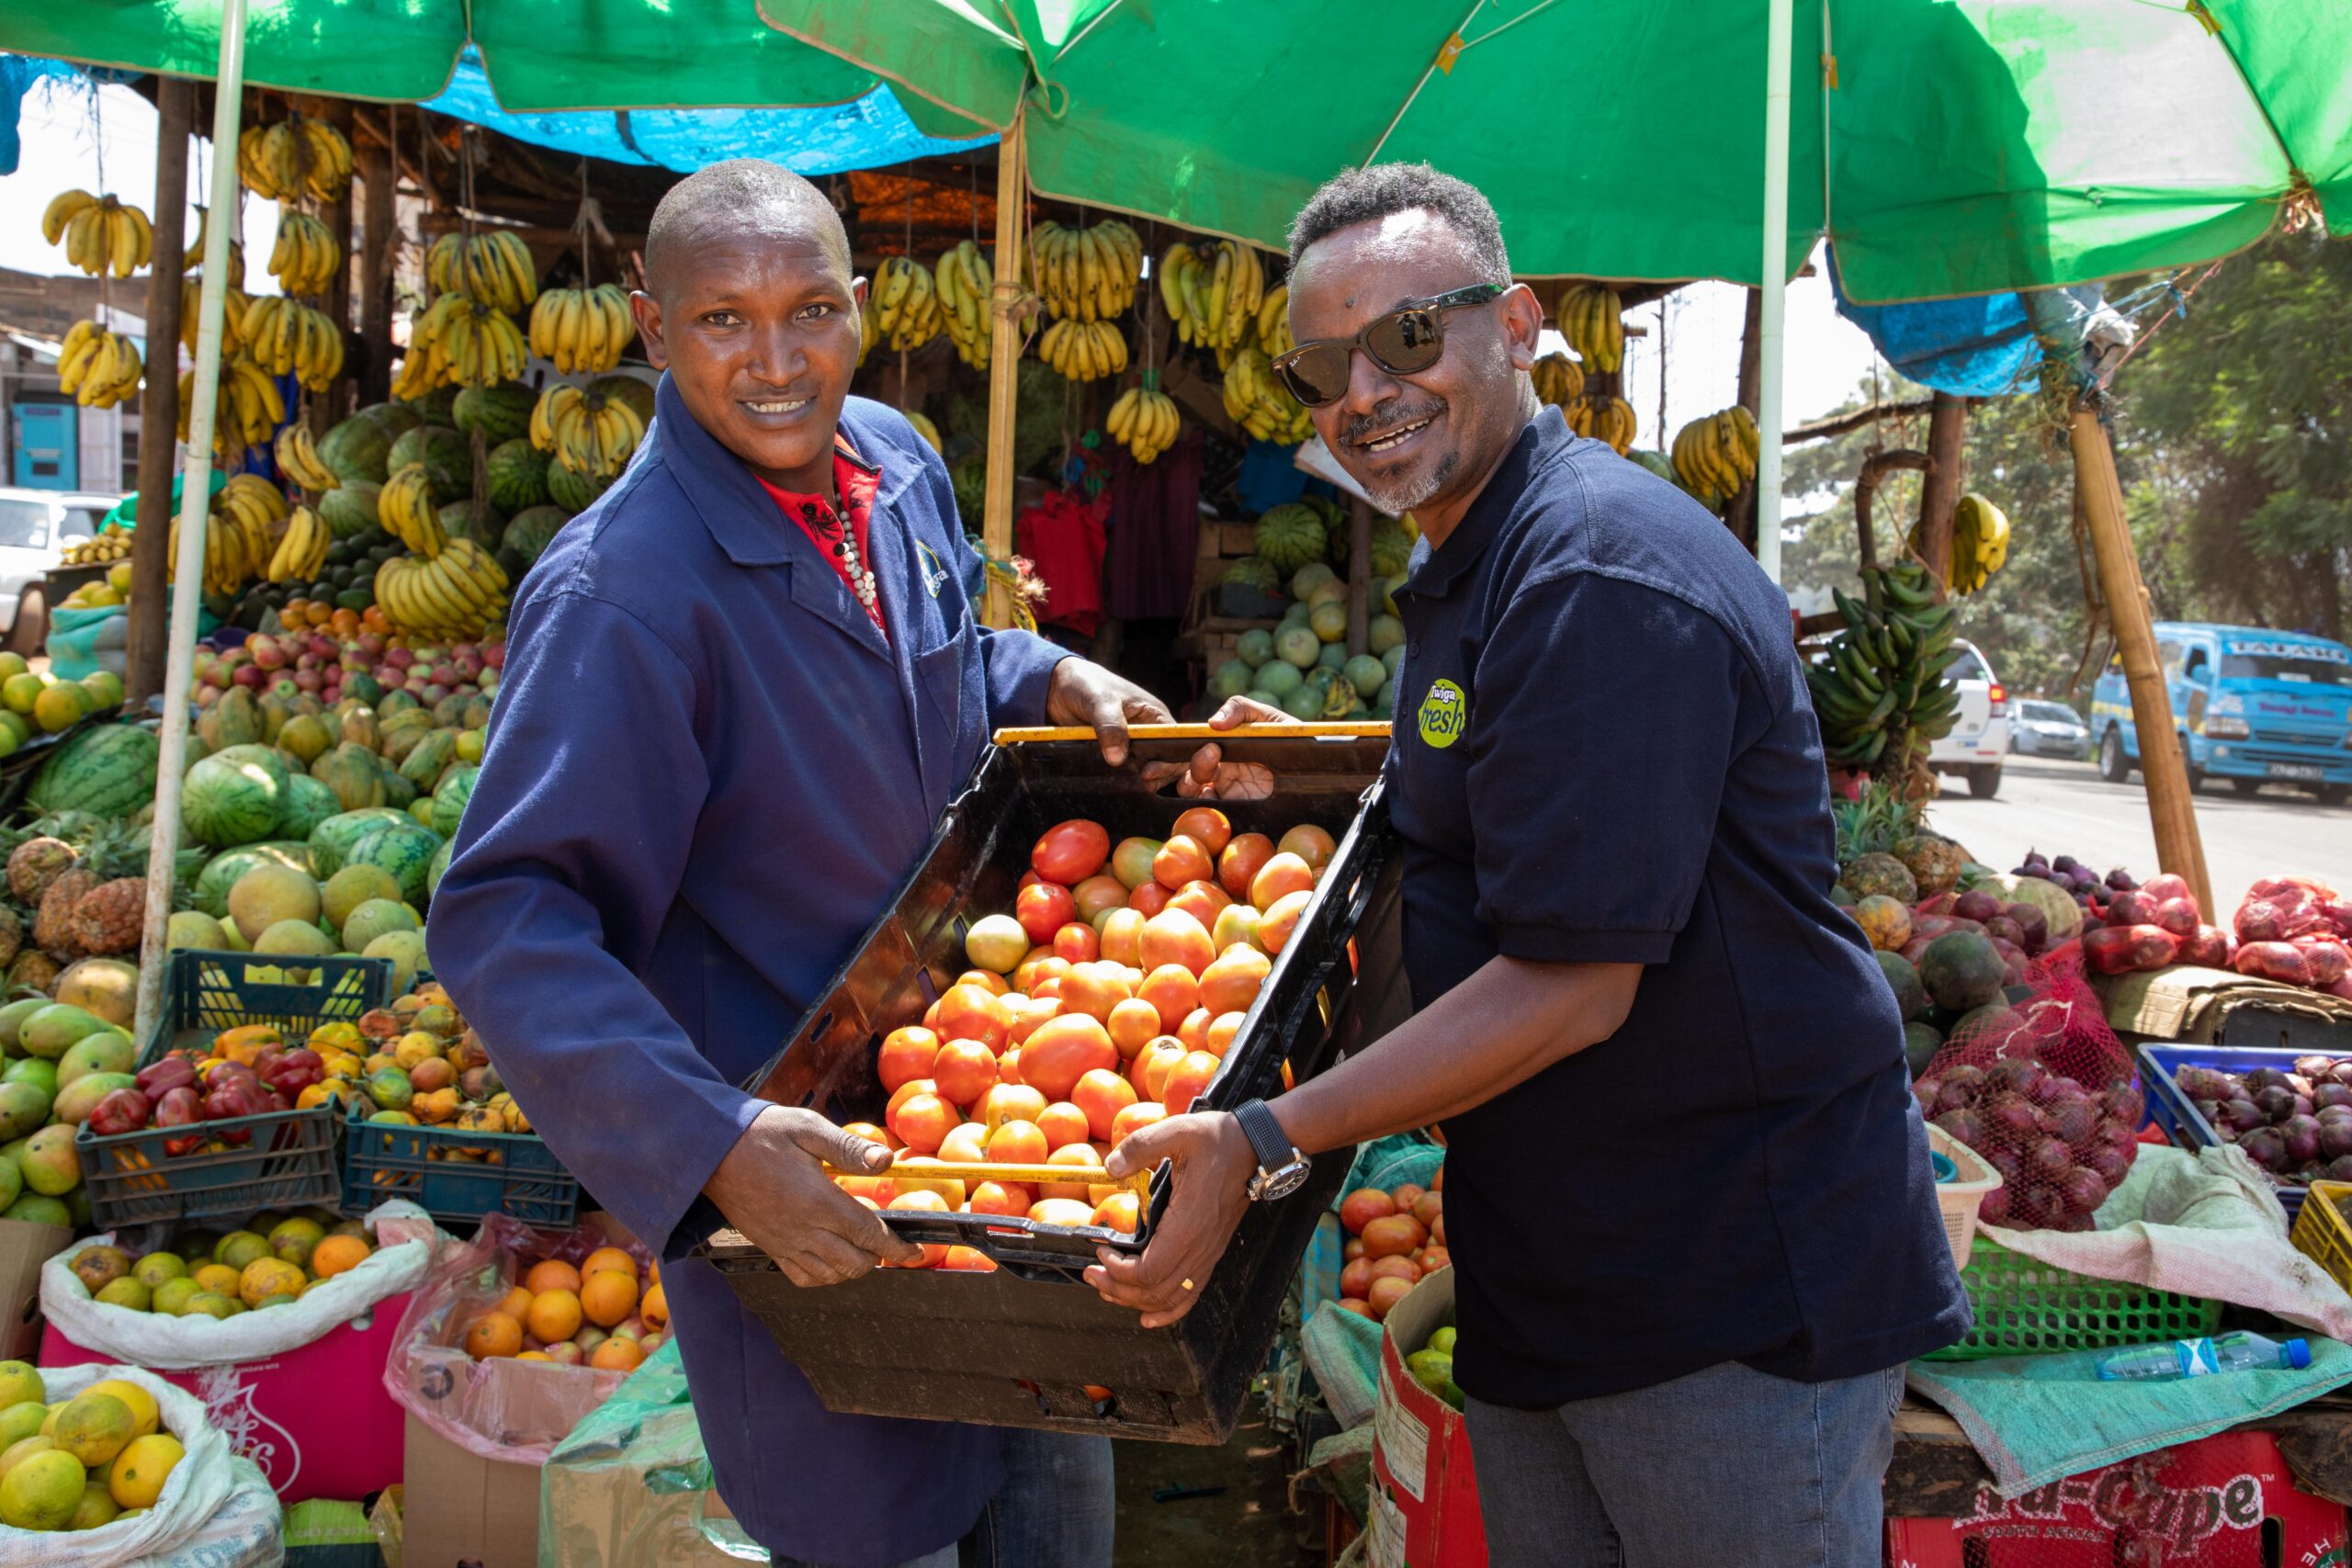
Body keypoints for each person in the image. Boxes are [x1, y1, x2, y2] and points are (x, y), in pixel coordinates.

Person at [1091, 164, 1968, 1565]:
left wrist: (1265, 1135)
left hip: (1726, 1293)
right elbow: (1507, 768)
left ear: (1516, 325)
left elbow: (1574, 986)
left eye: (1408, 337)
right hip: (1558, 1264)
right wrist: (1328, 769)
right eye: (1323, 365)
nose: (1364, 392)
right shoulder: (1484, 554)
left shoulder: (1593, 574)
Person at [429, 159, 1183, 1568]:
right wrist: (712, 1145)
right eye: (724, 320)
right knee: (877, 1523)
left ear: (862, 307)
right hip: (811, 1188)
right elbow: (506, 918)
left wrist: (1053, 675)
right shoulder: (622, 594)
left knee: (1052, 1502)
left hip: (999, 1125)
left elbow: (937, 664)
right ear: (653, 329)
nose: (777, 362)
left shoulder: (892, 463)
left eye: (811, 311)